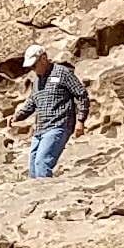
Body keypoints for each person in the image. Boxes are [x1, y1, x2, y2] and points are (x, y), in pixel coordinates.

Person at [14, 39, 90, 179]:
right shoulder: (37, 81)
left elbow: (81, 94)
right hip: (41, 129)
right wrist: (17, 116)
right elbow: (32, 102)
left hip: (58, 125)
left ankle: (43, 196)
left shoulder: (62, 73)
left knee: (42, 163)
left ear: (43, 58)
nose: (33, 69)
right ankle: (36, 197)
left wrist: (80, 120)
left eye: (34, 65)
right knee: (33, 168)